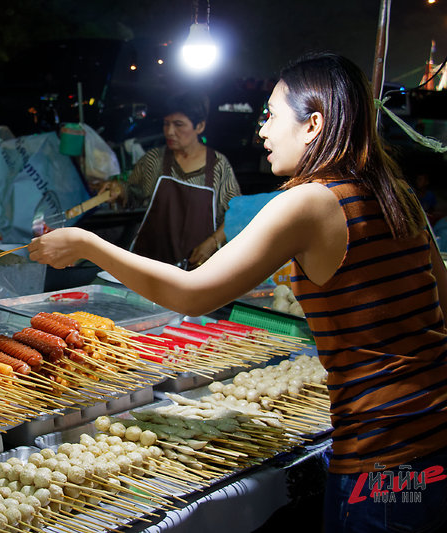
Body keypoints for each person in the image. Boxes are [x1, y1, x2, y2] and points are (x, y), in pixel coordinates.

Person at [30, 52, 447, 532]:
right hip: (436, 448)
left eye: (271, 115)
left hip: (382, 463)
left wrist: (88, 244)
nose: (262, 131)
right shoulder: (397, 192)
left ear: (313, 124)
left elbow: (193, 294)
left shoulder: (310, 201)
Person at [103, 90, 241, 268]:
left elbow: (235, 214)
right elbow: (132, 194)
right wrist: (119, 190)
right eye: (166, 124)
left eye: (178, 125)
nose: (169, 132)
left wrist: (213, 243)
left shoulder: (218, 166)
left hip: (196, 268)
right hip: (149, 263)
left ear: (199, 127)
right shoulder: (155, 159)